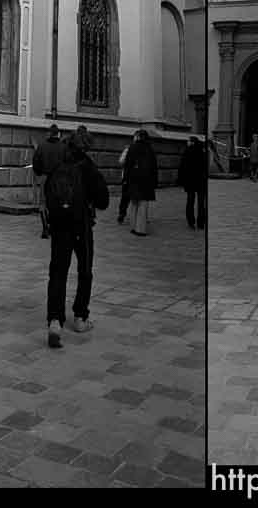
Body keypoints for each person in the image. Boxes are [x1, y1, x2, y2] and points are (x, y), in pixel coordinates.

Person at [44, 122, 108, 347]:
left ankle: (54, 320)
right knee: (85, 271)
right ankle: (80, 317)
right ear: (86, 147)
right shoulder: (87, 166)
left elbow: (47, 191)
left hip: (60, 226)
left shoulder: (58, 163)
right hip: (81, 226)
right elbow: (103, 200)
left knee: (58, 272)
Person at [31, 124, 66, 239]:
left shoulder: (42, 146)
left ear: (49, 133)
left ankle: (45, 227)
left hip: (46, 177)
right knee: (58, 202)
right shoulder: (64, 147)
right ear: (58, 134)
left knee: (43, 203)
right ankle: (56, 226)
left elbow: (36, 162)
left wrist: (39, 173)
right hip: (60, 178)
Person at [121, 129, 157, 236]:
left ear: (137, 137)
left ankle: (133, 226)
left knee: (134, 203)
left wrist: (125, 179)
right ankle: (141, 229)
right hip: (146, 181)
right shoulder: (150, 149)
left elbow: (127, 166)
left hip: (133, 179)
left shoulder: (132, 148)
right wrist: (154, 182)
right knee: (143, 205)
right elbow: (154, 167)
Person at [178, 135, 208, 230]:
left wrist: (181, 180)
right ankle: (201, 223)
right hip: (201, 181)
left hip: (190, 181)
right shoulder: (202, 152)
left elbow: (182, 167)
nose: (187, 142)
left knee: (190, 201)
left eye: (188, 141)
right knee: (201, 203)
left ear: (192, 142)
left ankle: (191, 222)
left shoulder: (187, 151)